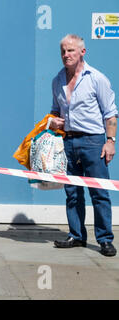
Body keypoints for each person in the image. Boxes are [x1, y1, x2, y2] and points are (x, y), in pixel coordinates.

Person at [49, 34, 117, 257]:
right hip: (68, 141)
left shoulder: (96, 78)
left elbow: (110, 114)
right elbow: (55, 112)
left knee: (99, 192)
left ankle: (105, 239)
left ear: (82, 52)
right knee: (72, 193)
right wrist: (53, 121)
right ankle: (76, 236)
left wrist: (110, 142)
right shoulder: (57, 80)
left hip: (93, 141)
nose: (66, 55)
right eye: (63, 51)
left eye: (70, 51)